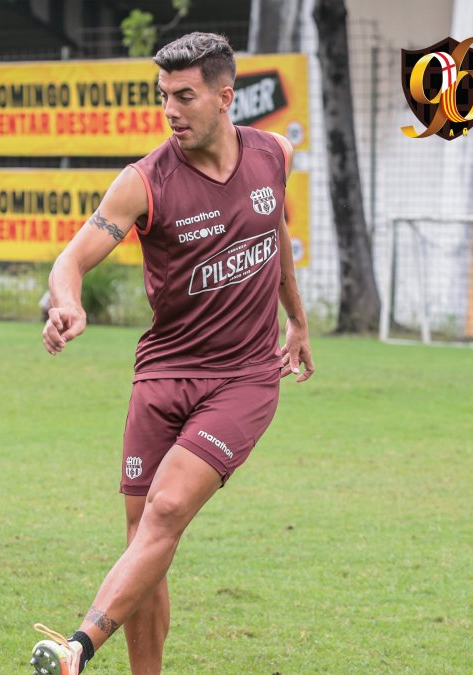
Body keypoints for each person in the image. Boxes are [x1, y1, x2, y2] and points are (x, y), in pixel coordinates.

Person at [29, 33, 315, 675]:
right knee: (146, 545)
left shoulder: (275, 155)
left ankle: (77, 647)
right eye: (163, 97)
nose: (171, 111)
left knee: (163, 513)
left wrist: (296, 322)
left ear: (224, 96)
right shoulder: (143, 182)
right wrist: (65, 302)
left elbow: (276, 236)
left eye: (184, 96)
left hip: (242, 379)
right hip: (160, 377)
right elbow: (72, 258)